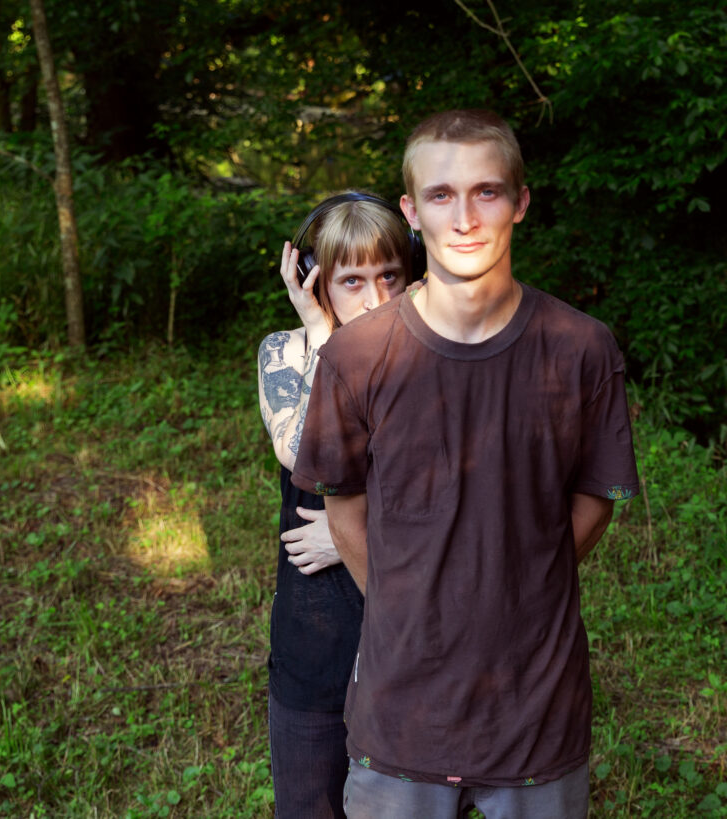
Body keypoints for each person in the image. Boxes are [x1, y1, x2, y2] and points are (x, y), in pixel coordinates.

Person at [292, 110, 640, 818]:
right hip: (401, 720)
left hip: (538, 720)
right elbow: (346, 508)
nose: (466, 217)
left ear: (520, 201)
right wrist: (407, 595)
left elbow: (592, 500)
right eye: (442, 195)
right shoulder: (355, 358)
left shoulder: (581, 347)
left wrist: (517, 579)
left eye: (486, 191)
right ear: (411, 211)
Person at [257, 191, 423, 818]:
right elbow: (304, 454)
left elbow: (448, 498)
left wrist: (349, 535)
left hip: (410, 628)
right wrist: (326, 337)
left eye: (389, 276)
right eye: (352, 280)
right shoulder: (285, 352)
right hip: (316, 632)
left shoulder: (432, 360)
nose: (376, 298)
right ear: (314, 281)